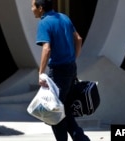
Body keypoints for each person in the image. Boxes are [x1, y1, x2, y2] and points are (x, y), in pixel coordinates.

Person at [31, 0, 90, 141]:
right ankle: (81, 138)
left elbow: (47, 48)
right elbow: (79, 39)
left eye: (33, 6)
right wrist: (72, 58)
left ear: (40, 8)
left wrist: (41, 73)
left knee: (54, 111)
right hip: (70, 68)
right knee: (64, 109)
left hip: (58, 71)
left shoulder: (45, 23)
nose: (31, 9)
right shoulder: (64, 17)